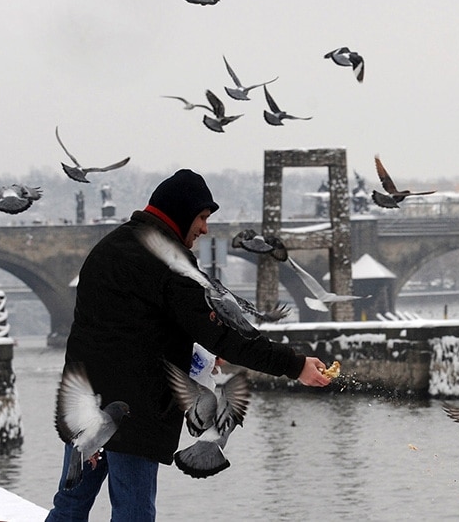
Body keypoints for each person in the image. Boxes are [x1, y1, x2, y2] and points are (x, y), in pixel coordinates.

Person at [46, 169, 331, 521]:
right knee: (133, 513)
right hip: (135, 413)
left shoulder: (109, 247)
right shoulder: (171, 262)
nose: (206, 229)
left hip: (87, 407)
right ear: (181, 213)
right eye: (202, 217)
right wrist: (294, 364)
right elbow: (223, 333)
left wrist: (195, 351)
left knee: (71, 505)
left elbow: (123, 329)